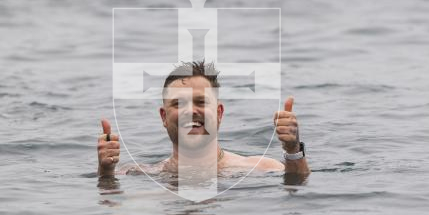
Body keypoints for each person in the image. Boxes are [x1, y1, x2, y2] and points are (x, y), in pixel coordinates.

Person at [97, 61, 310, 177]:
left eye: (201, 102)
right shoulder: (138, 174)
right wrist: (105, 173)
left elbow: (296, 190)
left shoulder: (260, 168)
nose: (191, 111)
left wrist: (293, 150)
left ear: (219, 113)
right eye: (179, 103)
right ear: (163, 116)